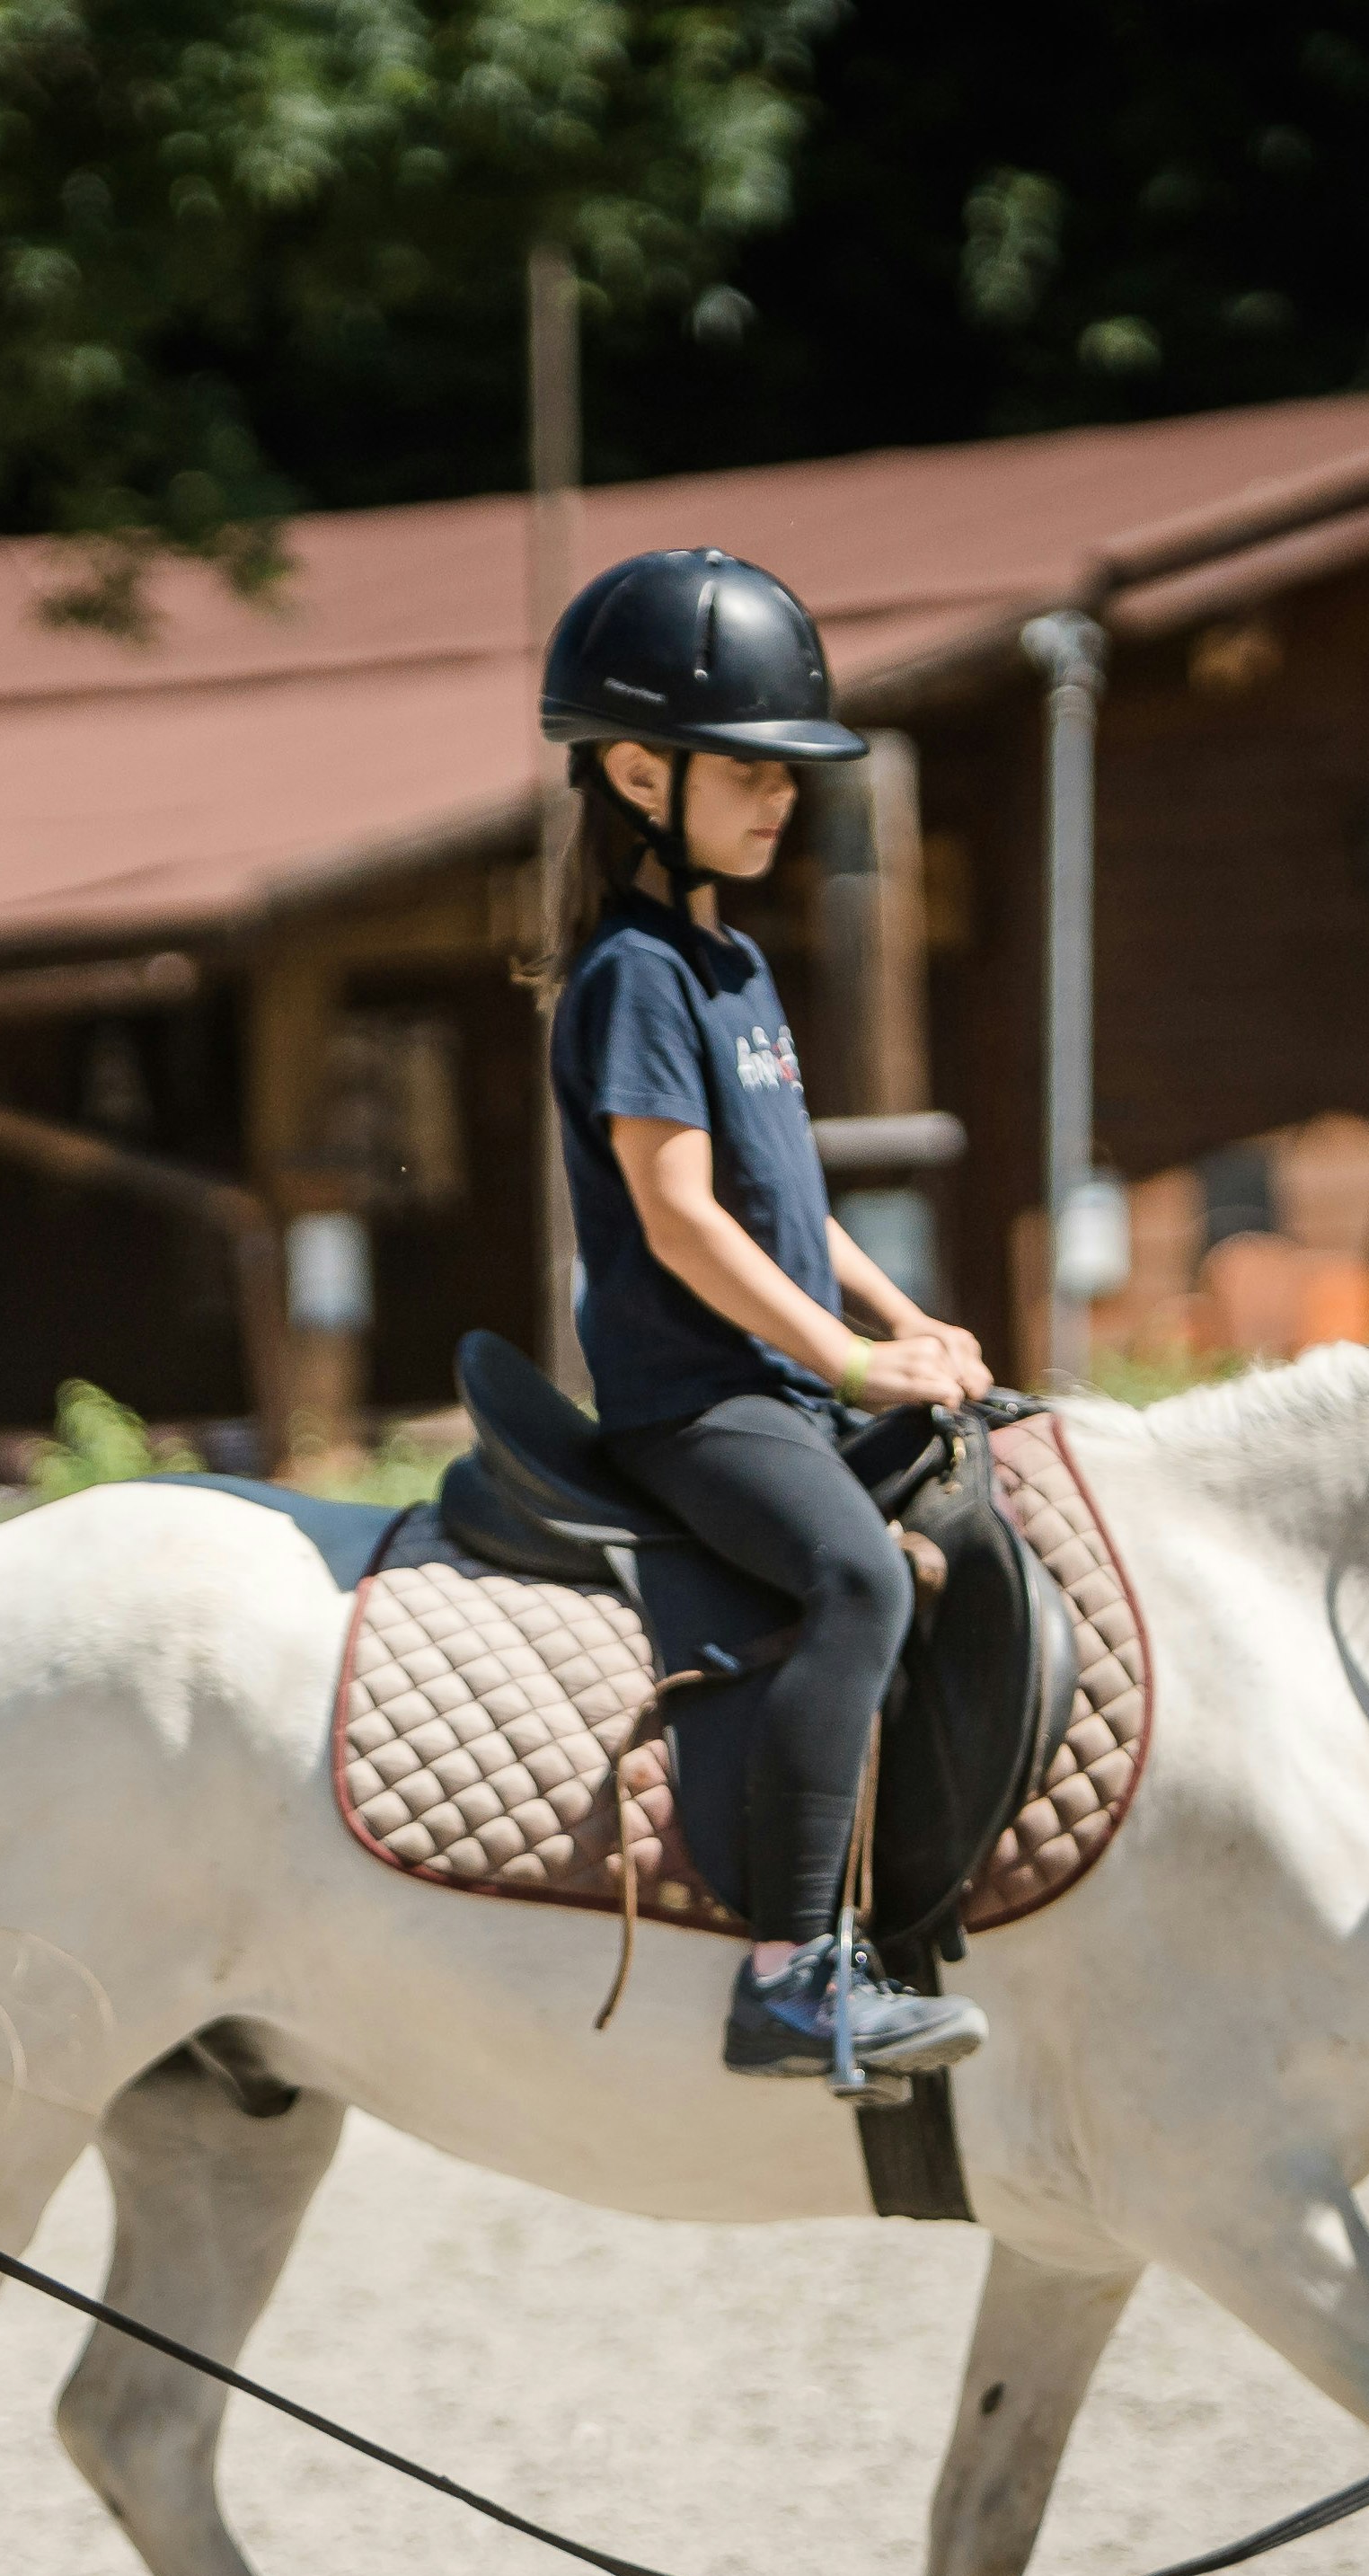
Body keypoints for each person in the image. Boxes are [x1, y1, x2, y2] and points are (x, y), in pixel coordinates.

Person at [536, 544, 1004, 2088]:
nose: (784, 795)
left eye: (794, 771)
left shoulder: (732, 961)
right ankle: (791, 1977)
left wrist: (915, 1330)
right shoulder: (631, 975)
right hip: (699, 1405)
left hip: (787, 1380)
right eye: (752, 768)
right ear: (636, 774)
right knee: (860, 1582)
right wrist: (857, 1361)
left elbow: (796, 1208)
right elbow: (681, 1220)